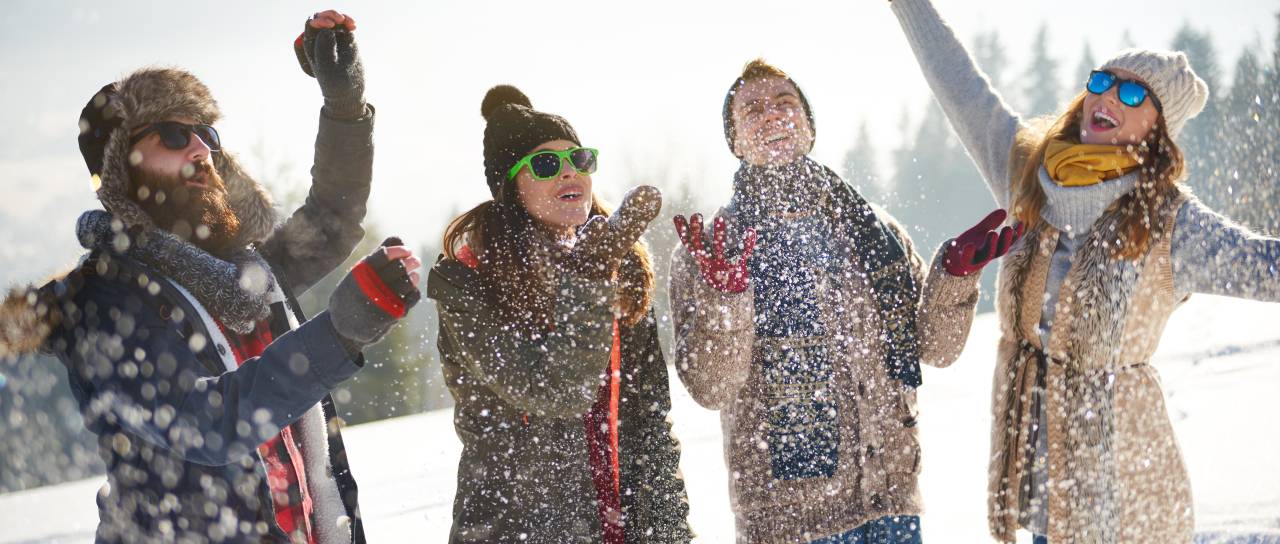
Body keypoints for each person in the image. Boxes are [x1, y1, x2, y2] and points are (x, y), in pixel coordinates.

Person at [0, 10, 419, 543]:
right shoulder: (102, 301)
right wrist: (338, 334)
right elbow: (202, 423)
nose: (201, 149)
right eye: (174, 135)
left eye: (206, 133)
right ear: (121, 168)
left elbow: (332, 219)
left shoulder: (245, 273)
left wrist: (344, 103)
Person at [889, 0, 1280, 541]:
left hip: (1126, 494)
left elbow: (1267, 266)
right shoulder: (1029, 172)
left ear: (1158, 129)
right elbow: (960, 86)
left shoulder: (1171, 221)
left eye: (1134, 93)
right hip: (1039, 487)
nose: (1109, 96)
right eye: (1102, 81)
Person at [668, 59, 1021, 543]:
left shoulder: (874, 230)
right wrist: (726, 299)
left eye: (785, 103)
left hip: (891, 505)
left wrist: (954, 278)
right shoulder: (713, 247)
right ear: (735, 142)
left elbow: (936, 350)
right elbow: (712, 388)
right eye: (752, 110)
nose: (771, 115)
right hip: (789, 524)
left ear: (809, 127)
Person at [425, 85, 692, 543]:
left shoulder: (620, 264)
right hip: (518, 530)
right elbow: (556, 392)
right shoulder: (467, 283)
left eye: (579, 159)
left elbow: (651, 426)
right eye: (547, 164)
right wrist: (590, 277)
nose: (570, 171)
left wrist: (670, 533)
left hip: (625, 527)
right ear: (511, 187)